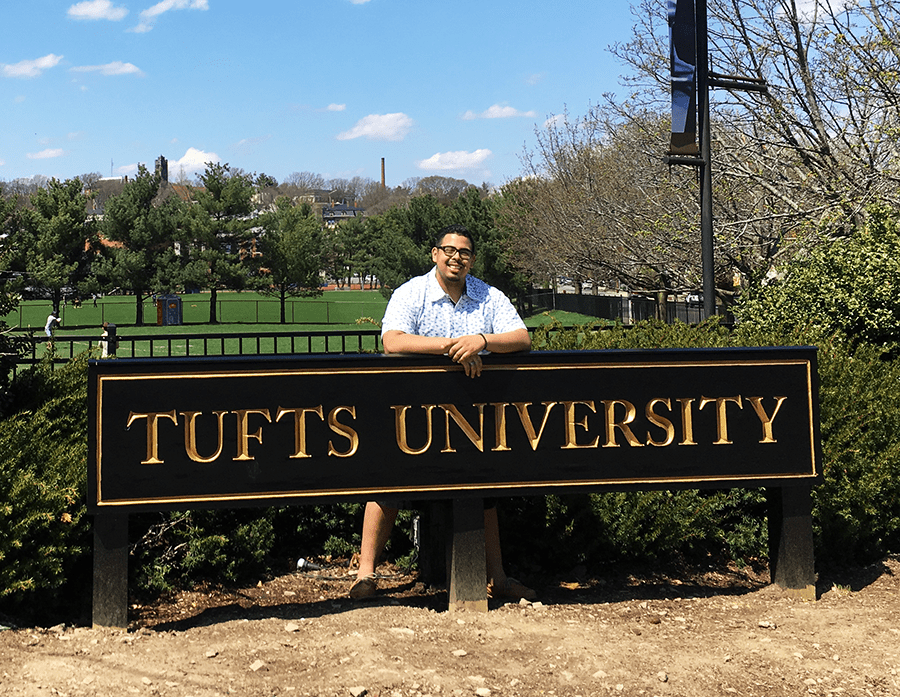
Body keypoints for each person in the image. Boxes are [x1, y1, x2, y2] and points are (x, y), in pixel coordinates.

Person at [349, 224, 536, 602]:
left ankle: (497, 579)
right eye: (448, 250)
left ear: (471, 259)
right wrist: (451, 347)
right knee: (387, 485)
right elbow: (392, 341)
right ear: (434, 254)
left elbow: (522, 338)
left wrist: (482, 340)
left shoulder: (488, 296)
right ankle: (365, 575)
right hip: (411, 416)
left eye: (464, 252)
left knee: (485, 491)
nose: (456, 257)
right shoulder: (411, 293)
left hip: (473, 420)